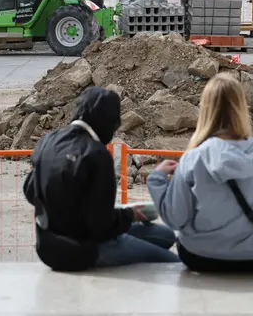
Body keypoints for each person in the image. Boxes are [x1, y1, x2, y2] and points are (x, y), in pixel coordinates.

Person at [24, 87, 178, 270]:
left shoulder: (48, 140)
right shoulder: (96, 154)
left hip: (47, 246)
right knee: (175, 265)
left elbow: (30, 190)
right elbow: (101, 226)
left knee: (166, 235)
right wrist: (130, 214)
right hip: (84, 248)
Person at [146, 75, 253, 272]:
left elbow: (176, 218)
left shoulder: (194, 158)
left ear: (205, 110)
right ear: (241, 108)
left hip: (200, 256)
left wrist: (157, 179)